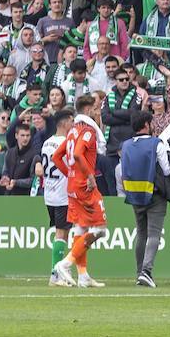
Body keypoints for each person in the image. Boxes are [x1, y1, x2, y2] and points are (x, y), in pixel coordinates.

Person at [119, 111, 170, 288]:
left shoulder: (126, 145)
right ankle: (147, 271)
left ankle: (139, 273)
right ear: (146, 124)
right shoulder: (156, 144)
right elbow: (167, 170)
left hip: (135, 195)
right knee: (154, 234)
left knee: (141, 234)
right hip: (154, 194)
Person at [52, 94, 108, 289]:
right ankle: (64, 264)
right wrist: (89, 176)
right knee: (100, 229)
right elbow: (77, 154)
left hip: (73, 185)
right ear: (88, 110)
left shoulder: (73, 130)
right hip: (85, 185)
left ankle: (83, 276)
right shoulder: (87, 131)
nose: (97, 111)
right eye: (95, 108)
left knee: (81, 229)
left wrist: (70, 174)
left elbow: (57, 156)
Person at [41, 109, 74, 286]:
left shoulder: (47, 143)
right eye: (71, 121)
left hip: (50, 193)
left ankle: (61, 271)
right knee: (62, 233)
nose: (73, 124)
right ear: (64, 123)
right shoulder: (66, 143)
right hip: (62, 193)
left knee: (62, 233)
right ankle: (55, 274)